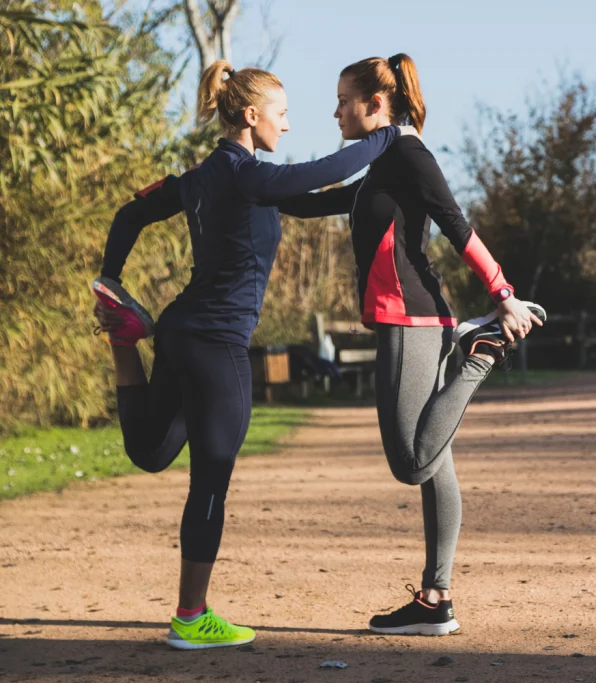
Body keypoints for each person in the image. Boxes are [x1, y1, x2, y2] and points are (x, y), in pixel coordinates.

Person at [91, 59, 416, 650]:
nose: (288, 126)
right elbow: (320, 171)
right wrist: (388, 136)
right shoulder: (247, 174)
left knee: (150, 449)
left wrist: (111, 281)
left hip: (179, 333)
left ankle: (122, 339)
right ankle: (191, 617)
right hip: (218, 350)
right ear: (250, 115)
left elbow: (130, 213)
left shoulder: (204, 179)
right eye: (282, 114)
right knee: (209, 482)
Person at [278, 53, 544, 636]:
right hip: (421, 319)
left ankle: (480, 355)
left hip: (411, 322)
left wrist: (504, 294)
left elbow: (455, 221)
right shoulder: (383, 164)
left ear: (377, 103)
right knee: (436, 460)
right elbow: (320, 199)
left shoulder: (407, 152)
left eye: (344, 100)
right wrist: (254, 187)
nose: (335, 111)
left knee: (412, 461)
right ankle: (436, 600)